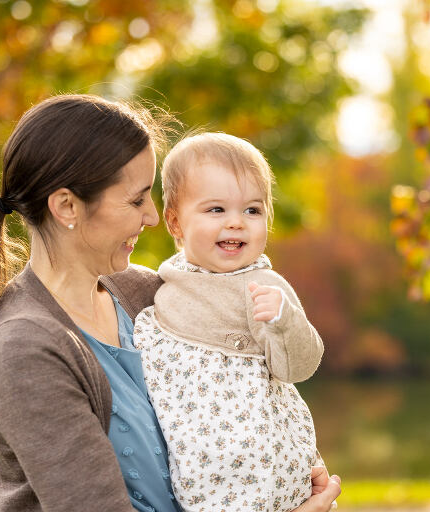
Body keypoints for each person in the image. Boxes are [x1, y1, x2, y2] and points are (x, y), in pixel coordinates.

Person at [0, 94, 341, 511]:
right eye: (137, 199)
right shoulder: (22, 348)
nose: (154, 217)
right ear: (66, 206)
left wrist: (287, 472)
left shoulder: (147, 295)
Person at [132, 132, 327, 511]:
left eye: (252, 210)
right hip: (196, 462)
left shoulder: (264, 287)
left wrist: (284, 321)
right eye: (216, 210)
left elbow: (299, 367)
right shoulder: (163, 283)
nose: (236, 223)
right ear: (174, 223)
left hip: (259, 456)